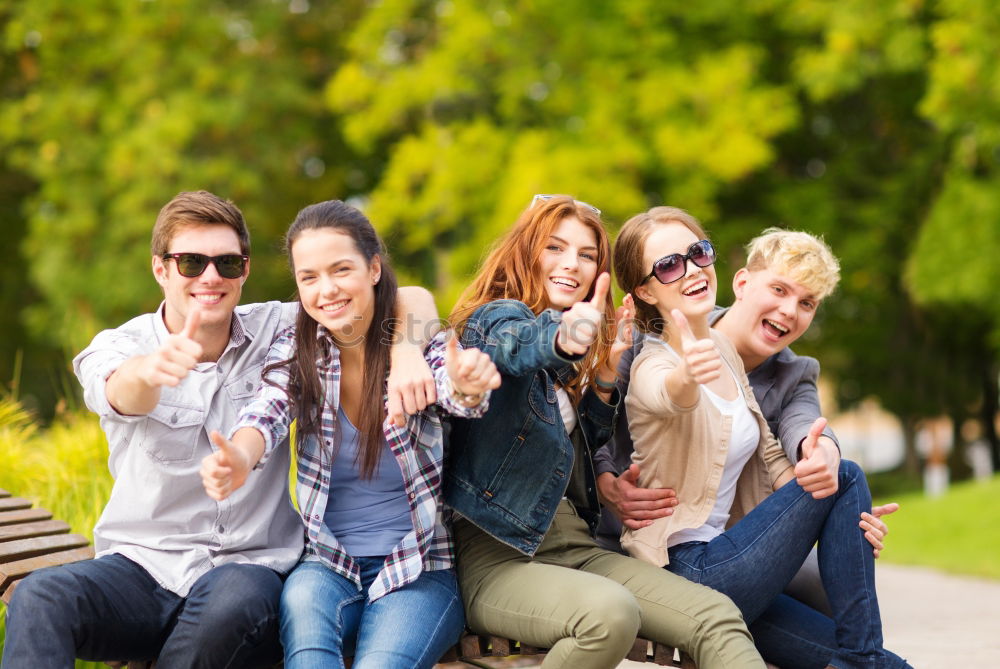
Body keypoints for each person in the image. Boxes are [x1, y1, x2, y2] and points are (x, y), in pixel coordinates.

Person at [2, 191, 441, 668]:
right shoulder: (122, 346)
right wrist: (151, 372)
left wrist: (406, 350)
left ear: (245, 270)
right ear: (160, 269)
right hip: (144, 569)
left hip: (248, 570)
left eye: (227, 263)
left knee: (234, 597)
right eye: (191, 262)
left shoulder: (284, 326)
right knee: (41, 595)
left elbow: (404, 296)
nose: (210, 277)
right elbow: (120, 391)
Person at [444, 195, 765, 669]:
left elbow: (573, 450)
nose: (572, 264)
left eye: (588, 254)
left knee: (715, 616)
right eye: (554, 248)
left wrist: (608, 373)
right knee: (610, 614)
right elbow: (517, 347)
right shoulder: (495, 320)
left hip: (575, 548)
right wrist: (561, 338)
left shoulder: (566, 371)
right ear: (525, 251)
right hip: (501, 559)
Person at [199, 199, 501, 669]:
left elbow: (452, 385)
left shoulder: (417, 343)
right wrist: (241, 455)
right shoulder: (300, 349)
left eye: (341, 270)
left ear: (374, 268)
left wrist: (467, 385)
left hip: (419, 568)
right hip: (327, 564)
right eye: (309, 277)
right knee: (306, 641)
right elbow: (270, 409)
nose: (327, 290)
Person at [611, 206, 911, 668]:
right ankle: (862, 659)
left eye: (698, 253)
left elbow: (796, 432)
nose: (690, 269)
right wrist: (686, 378)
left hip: (735, 561)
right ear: (646, 289)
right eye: (670, 265)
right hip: (685, 570)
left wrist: (842, 510)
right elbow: (663, 396)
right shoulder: (649, 357)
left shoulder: (734, 353)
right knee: (847, 478)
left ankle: (864, 660)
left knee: (891, 665)